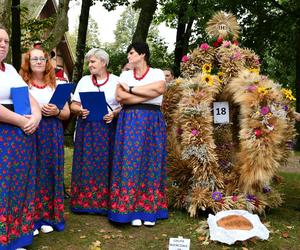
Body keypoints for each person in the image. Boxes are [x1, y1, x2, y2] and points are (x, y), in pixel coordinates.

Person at [108, 42, 168, 227]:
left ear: (142, 54)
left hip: (152, 121)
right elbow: (120, 97)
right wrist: (147, 94)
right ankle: (130, 210)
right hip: (130, 120)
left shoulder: (157, 72)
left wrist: (132, 90)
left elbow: (160, 90)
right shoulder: (125, 74)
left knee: (151, 160)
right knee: (130, 161)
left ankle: (148, 210)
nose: (129, 56)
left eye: (132, 53)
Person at [19, 47, 70, 235]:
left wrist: (56, 111)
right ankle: (30, 219)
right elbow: (18, 108)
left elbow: (66, 113)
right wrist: (37, 108)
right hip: (31, 130)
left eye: (42, 59)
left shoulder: (55, 85)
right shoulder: (22, 83)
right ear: (28, 63)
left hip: (52, 132)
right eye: (35, 59)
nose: (39, 62)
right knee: (31, 172)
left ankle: (48, 216)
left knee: (49, 171)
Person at [0, 25, 41, 250]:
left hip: (19, 138)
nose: (3, 44)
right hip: (4, 134)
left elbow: (28, 96)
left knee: (17, 186)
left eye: (6, 41)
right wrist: (21, 121)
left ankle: (16, 236)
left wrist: (35, 117)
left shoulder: (11, 69)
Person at [70, 48, 121, 214]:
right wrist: (79, 110)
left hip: (108, 128)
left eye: (93, 62)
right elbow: (73, 104)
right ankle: (84, 203)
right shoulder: (84, 81)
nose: (89, 65)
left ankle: (106, 203)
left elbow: (125, 105)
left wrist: (114, 113)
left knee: (108, 163)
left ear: (103, 62)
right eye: (89, 62)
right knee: (86, 162)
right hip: (87, 128)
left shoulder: (116, 81)